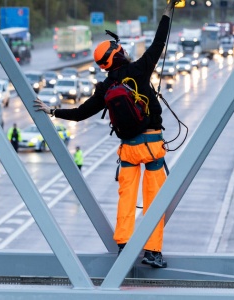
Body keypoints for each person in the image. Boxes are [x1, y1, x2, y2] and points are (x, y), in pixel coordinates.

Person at [34, 0, 179, 268]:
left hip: (128, 151)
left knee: (126, 199)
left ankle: (124, 244)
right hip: (152, 146)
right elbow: (159, 44)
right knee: (153, 200)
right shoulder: (138, 70)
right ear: (119, 53)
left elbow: (80, 112)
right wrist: (166, 14)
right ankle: (152, 252)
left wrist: (52, 111)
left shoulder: (106, 86)